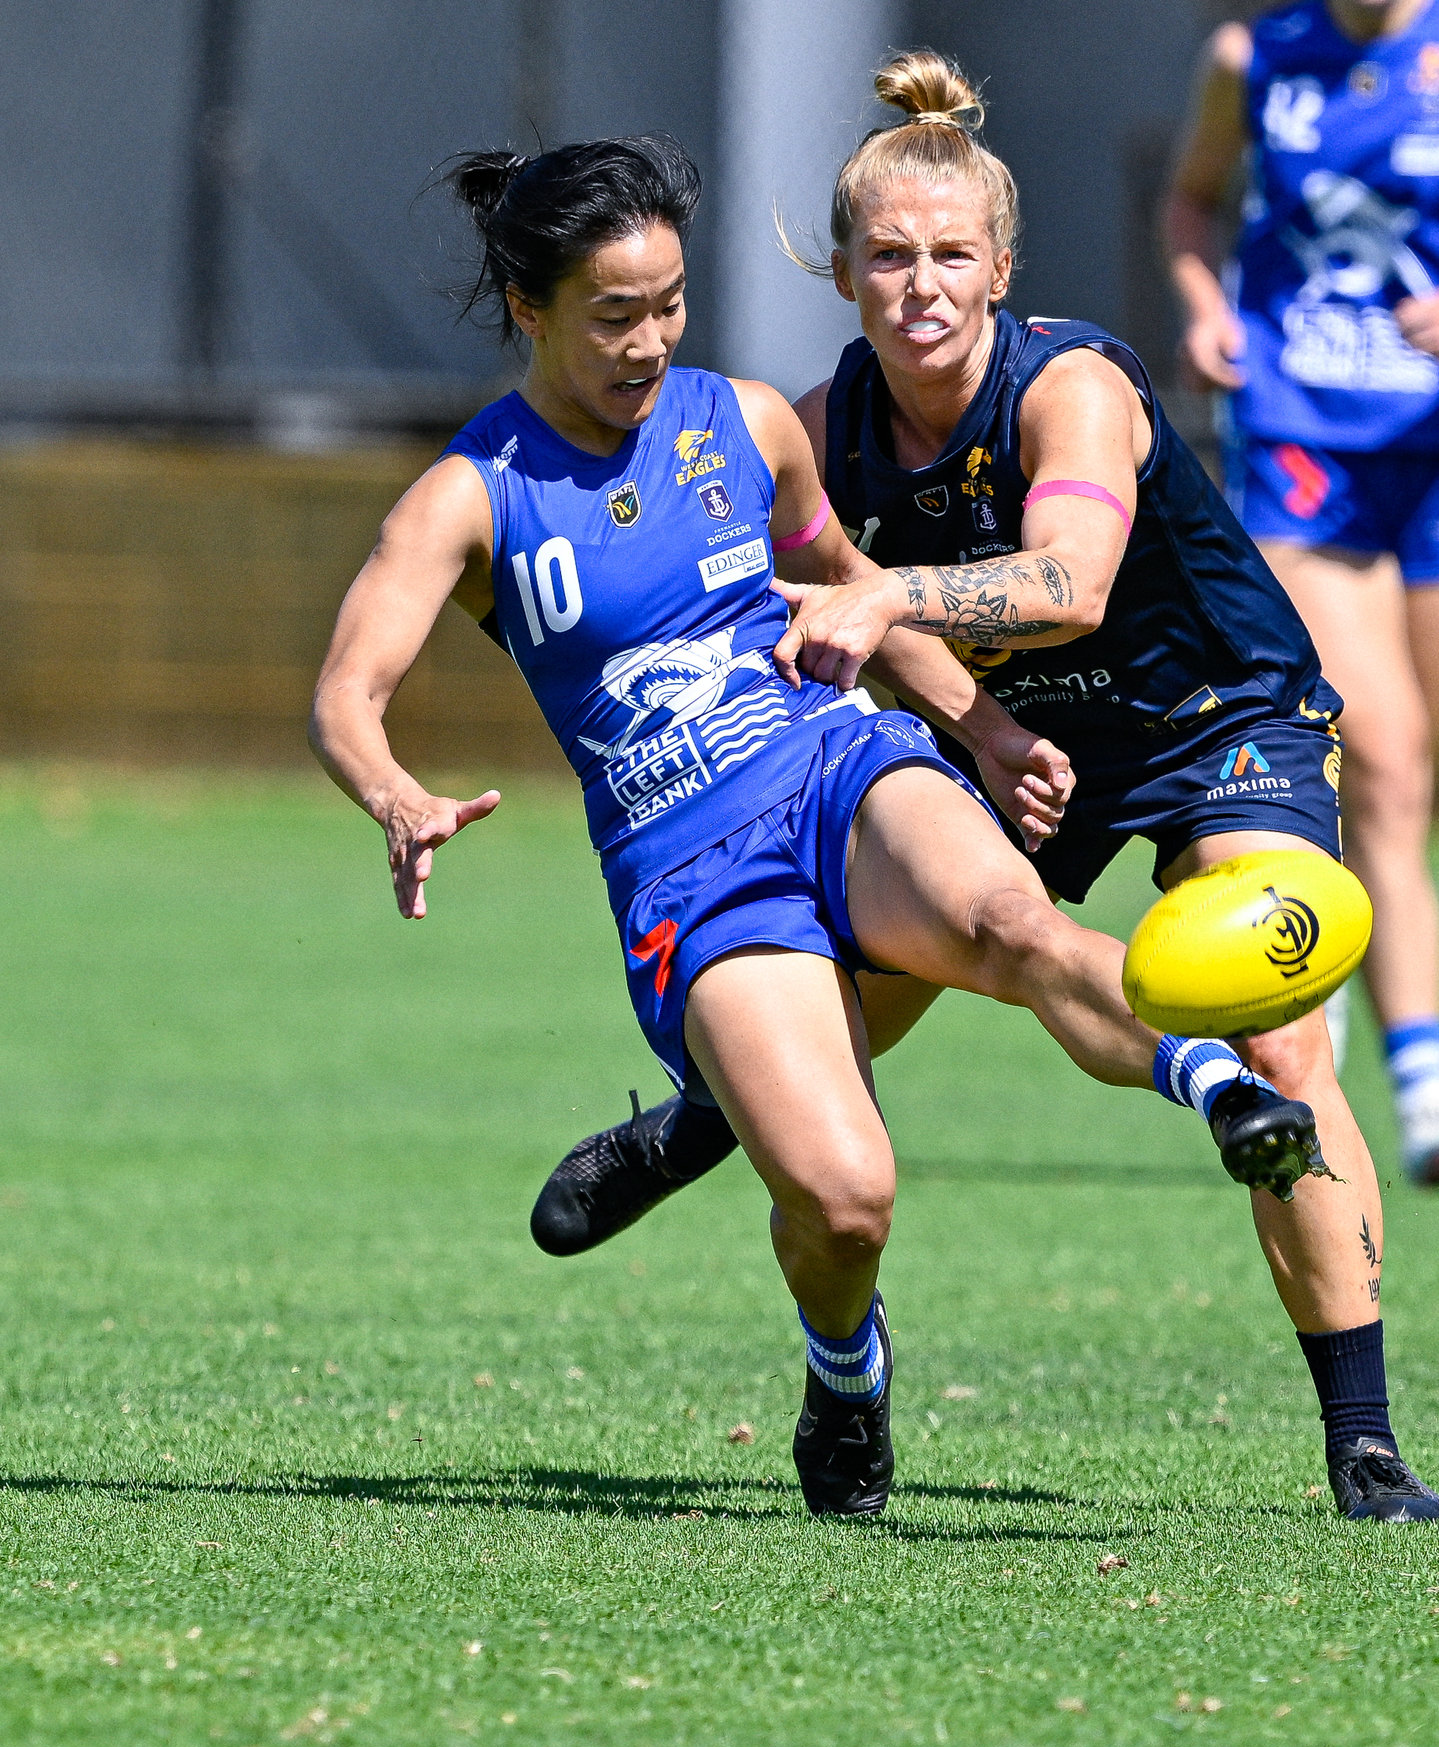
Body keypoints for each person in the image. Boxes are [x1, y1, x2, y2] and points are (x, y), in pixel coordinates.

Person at [309, 132, 1327, 1520]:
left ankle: (1220, 1093)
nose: (649, 342)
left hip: (835, 766)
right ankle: (844, 1369)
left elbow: (852, 583)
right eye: (614, 316)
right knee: (845, 1201)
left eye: (670, 305)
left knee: (1011, 922)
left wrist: (984, 730)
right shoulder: (466, 495)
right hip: (687, 868)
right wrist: (395, 793)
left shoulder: (744, 424)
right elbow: (346, 695)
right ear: (530, 309)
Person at [533, 60, 1439, 1523]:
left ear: (1002, 271)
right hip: (1012, 737)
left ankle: (1364, 1448)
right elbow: (751, 589)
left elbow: (1069, 582)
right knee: (837, 1020)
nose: (920, 287)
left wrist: (885, 596)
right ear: (840, 271)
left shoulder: (1068, 386)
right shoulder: (817, 428)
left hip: (1217, 719)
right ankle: (701, 1123)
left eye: (951, 255)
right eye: (888, 256)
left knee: (1276, 1041)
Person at [1164, 0, 1439, 1181]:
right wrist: (1204, 308)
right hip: (1299, 440)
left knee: (1421, 764)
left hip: (1427, 447)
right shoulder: (1249, 56)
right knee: (1379, 750)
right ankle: (1418, 1087)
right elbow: (1191, 202)